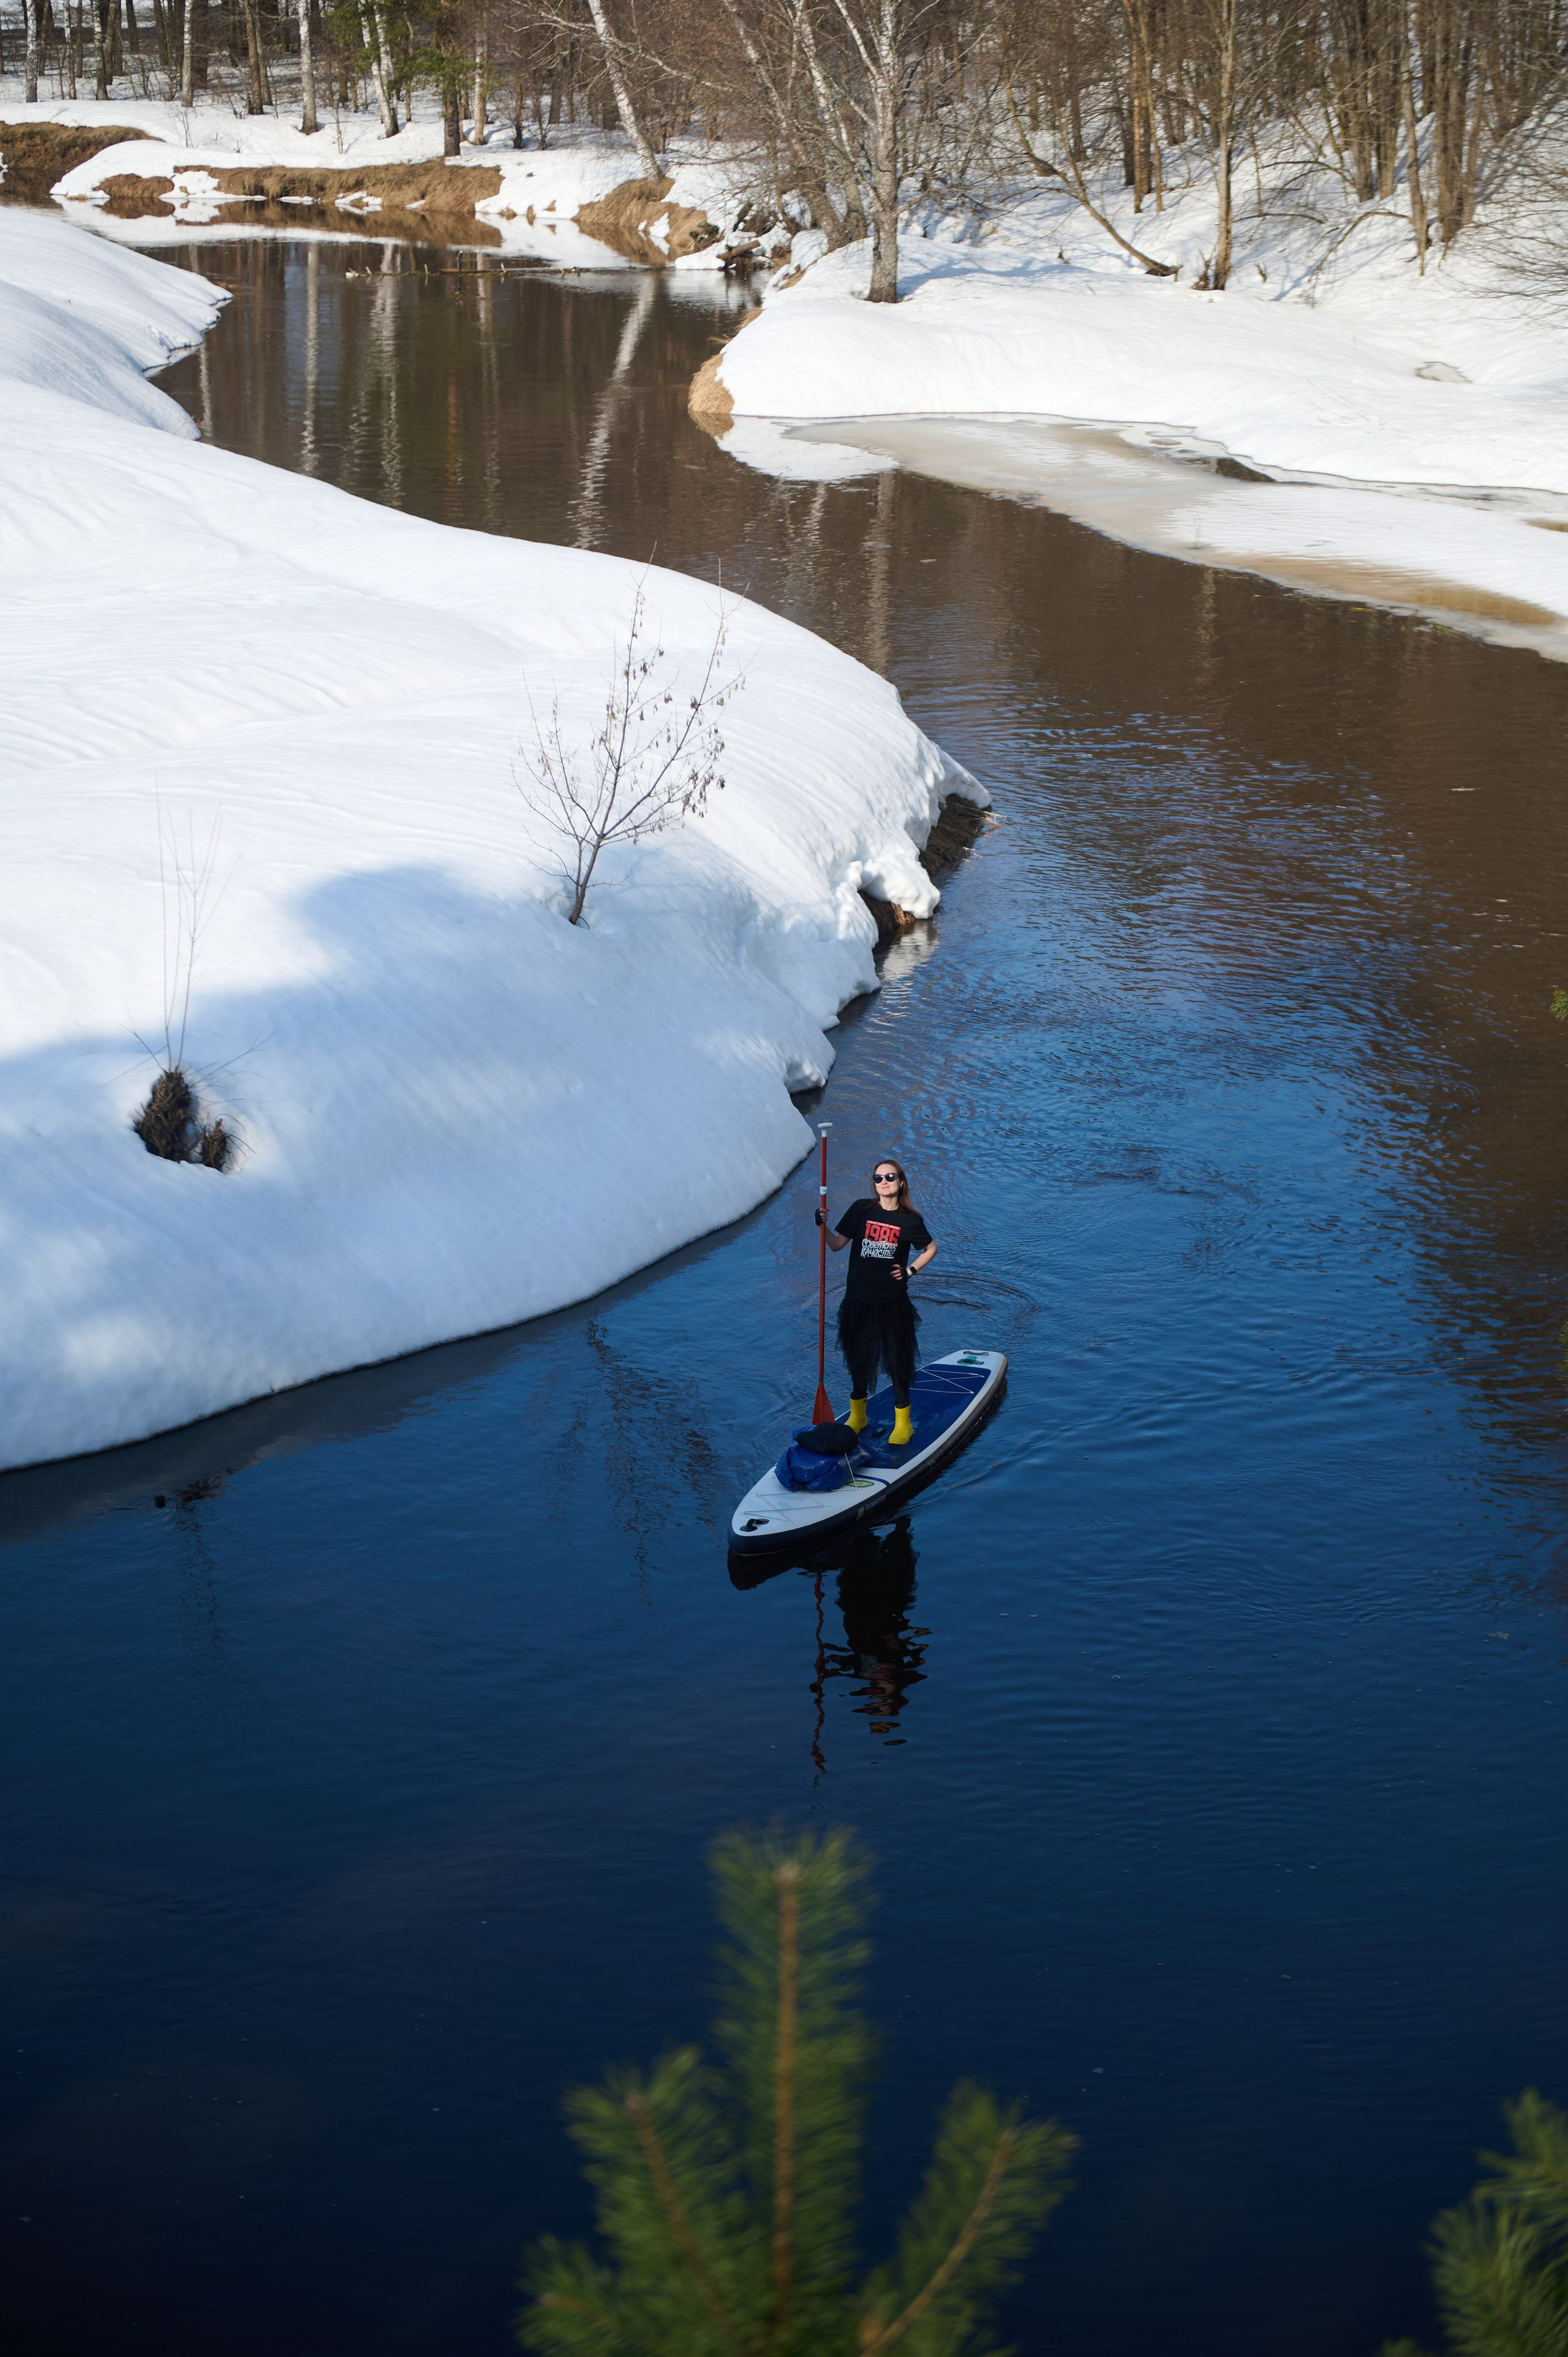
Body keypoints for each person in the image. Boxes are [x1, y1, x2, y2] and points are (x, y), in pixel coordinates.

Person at [817, 1156, 937, 1446]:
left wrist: (910, 1271)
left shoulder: (909, 1220)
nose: (883, 1182)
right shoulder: (861, 1209)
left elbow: (930, 1247)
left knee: (897, 1360)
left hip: (892, 1302)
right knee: (859, 1357)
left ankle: (903, 1423)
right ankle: (858, 1416)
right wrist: (822, 1225)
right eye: (878, 1178)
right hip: (857, 1299)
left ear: (901, 1181)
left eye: (890, 1177)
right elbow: (835, 1246)